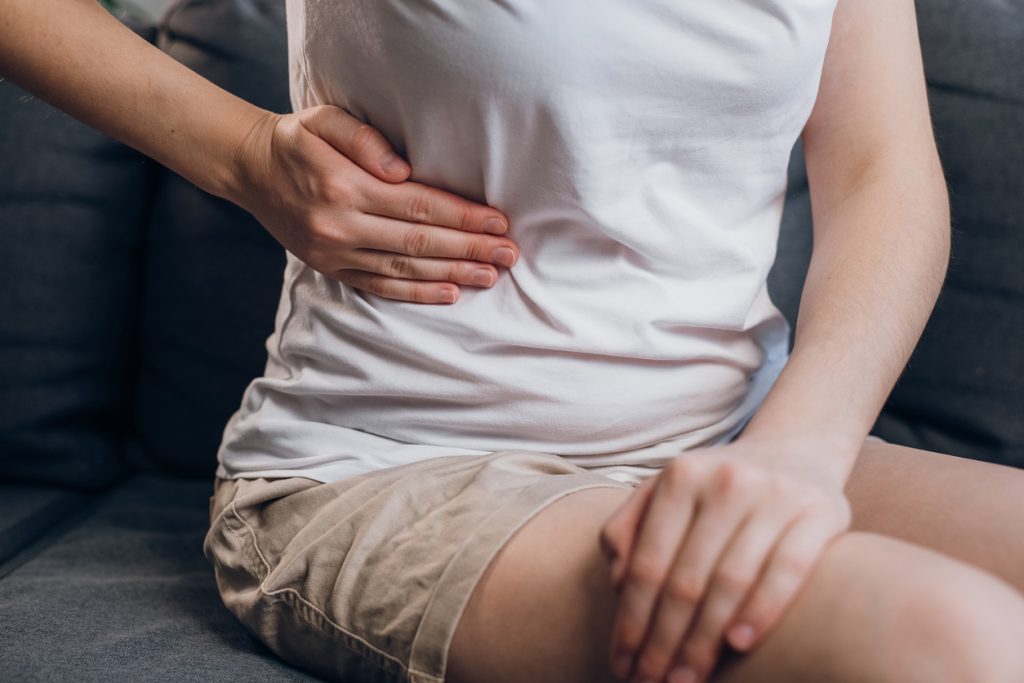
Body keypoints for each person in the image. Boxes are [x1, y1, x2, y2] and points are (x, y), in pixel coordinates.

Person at [3, 1, 1023, 682]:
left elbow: (881, 168)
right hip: (392, 465)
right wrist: (244, 155)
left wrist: (796, 449)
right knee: (953, 641)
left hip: (736, 435)